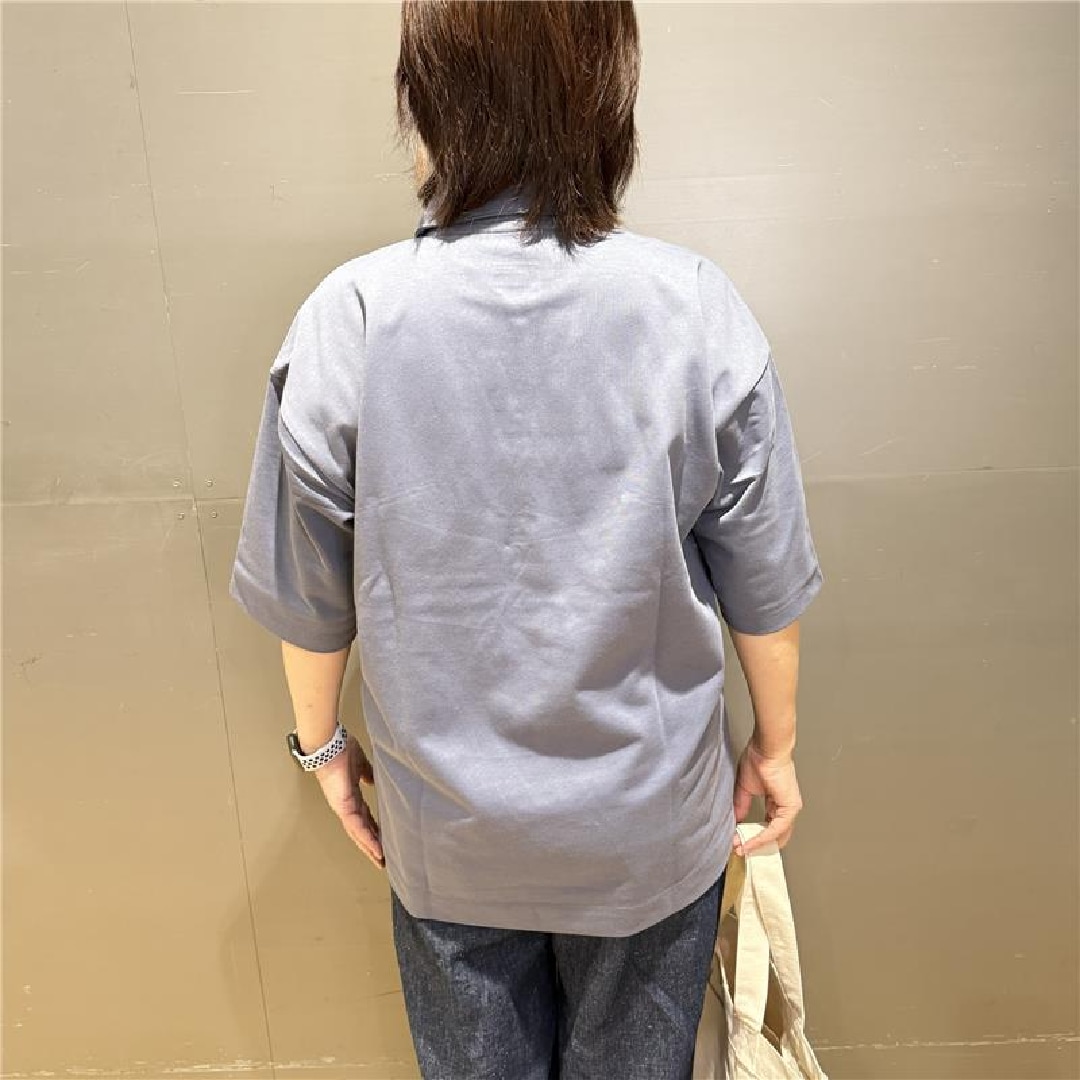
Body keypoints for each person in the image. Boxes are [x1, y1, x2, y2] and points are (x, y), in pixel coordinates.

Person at [229, 2, 823, 1077]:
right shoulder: (694, 308)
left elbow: (310, 598)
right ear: (608, 98)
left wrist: (324, 754)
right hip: (648, 834)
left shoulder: (350, 317)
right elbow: (764, 586)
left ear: (427, 101)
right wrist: (773, 750)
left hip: (447, 837)